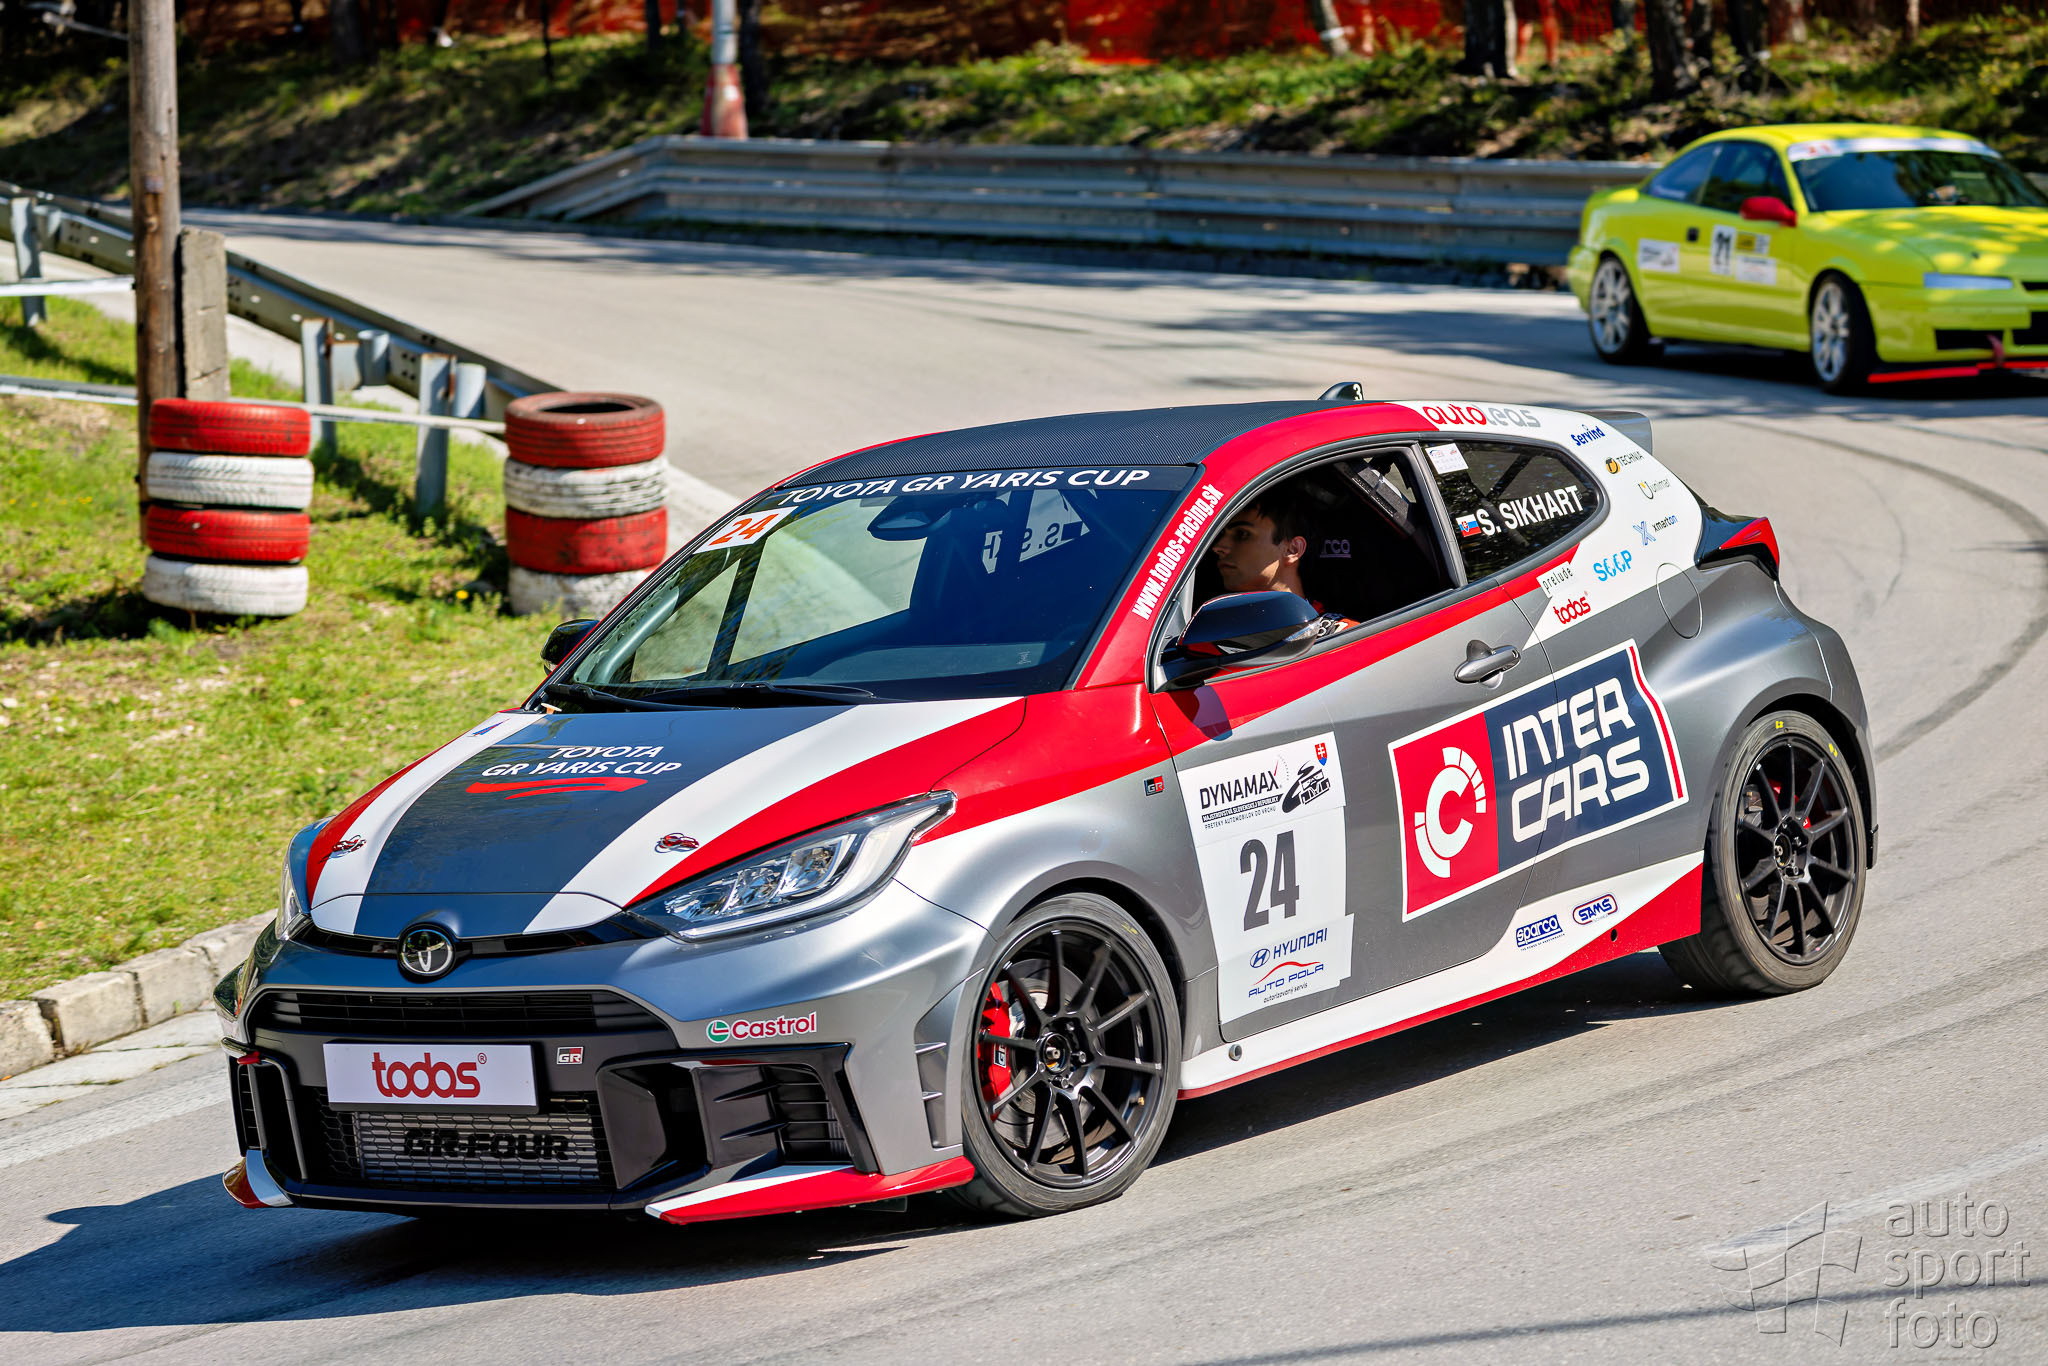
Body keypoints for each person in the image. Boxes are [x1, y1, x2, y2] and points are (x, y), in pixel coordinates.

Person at [1208, 488, 1355, 633]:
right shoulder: (1210, 630)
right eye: (1221, 534)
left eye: (1242, 534)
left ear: (1292, 549)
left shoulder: (1342, 637)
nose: (1218, 547)